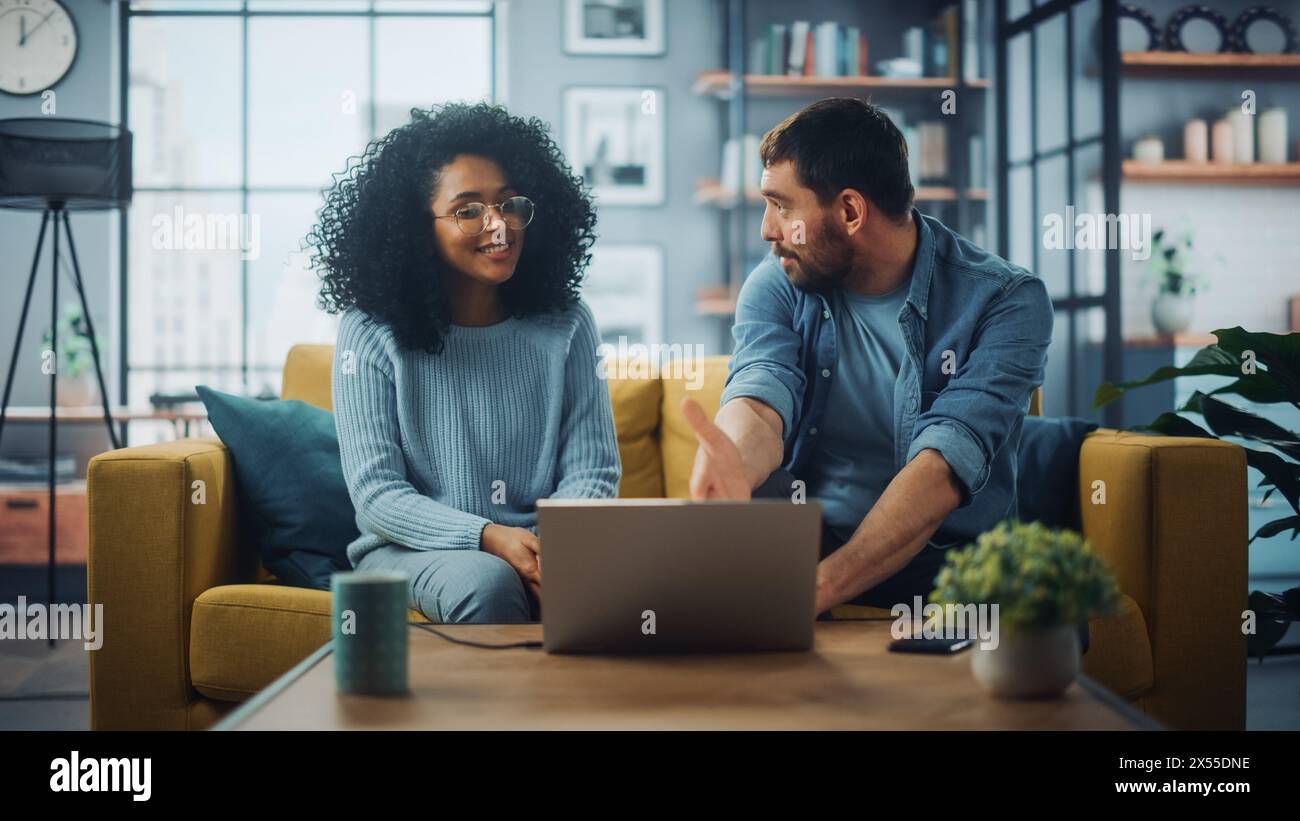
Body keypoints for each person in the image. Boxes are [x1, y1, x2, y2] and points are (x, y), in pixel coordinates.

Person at [683, 98, 1053, 618]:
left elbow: (945, 462)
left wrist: (819, 589)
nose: (767, 229)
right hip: (812, 539)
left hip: (948, 560)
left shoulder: (1005, 300)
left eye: (782, 206)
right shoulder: (778, 280)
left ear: (851, 212)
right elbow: (762, 395)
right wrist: (736, 462)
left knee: (1048, 634)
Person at [308, 102, 621, 624]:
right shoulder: (369, 331)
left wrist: (551, 551)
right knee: (488, 581)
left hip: (541, 542)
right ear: (415, 228)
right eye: (468, 210)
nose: (498, 226)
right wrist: (487, 537)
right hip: (409, 547)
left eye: (508, 204)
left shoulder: (567, 322)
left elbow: (593, 470)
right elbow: (378, 497)